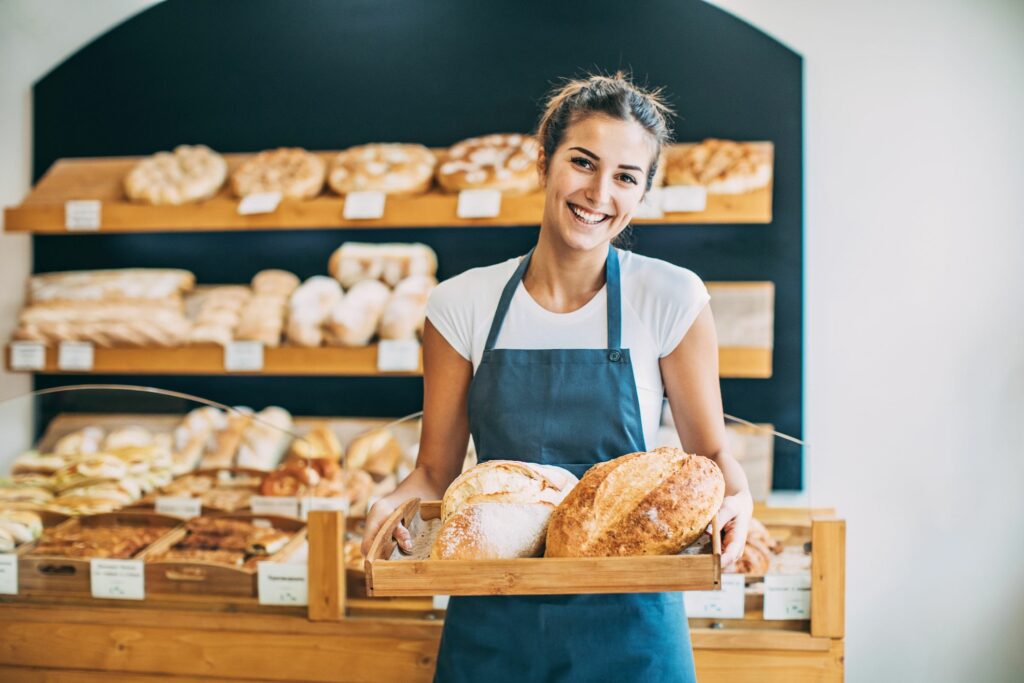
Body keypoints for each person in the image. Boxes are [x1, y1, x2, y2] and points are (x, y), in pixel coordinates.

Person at [362, 72, 754, 683]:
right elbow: (434, 472)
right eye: (583, 162)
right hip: (493, 621)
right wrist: (389, 507)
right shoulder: (461, 304)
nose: (599, 192)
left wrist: (740, 499)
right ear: (543, 162)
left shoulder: (671, 297)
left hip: (633, 629)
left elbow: (710, 456)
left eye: (626, 177)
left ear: (642, 193)